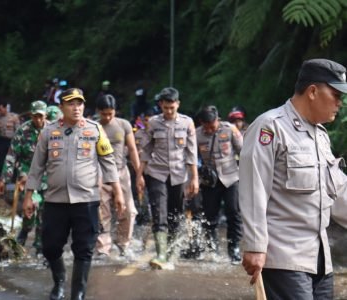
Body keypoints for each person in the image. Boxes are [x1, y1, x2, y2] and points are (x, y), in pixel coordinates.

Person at [240, 58, 347, 299]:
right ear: (312, 91)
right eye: (336, 94)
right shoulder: (270, 127)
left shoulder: (320, 136)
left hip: (320, 260)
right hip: (284, 259)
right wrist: (255, 245)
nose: (340, 103)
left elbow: (336, 191)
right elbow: (253, 189)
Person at [23, 88, 125, 300]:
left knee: (84, 249)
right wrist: (28, 195)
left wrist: (118, 192)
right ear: (61, 107)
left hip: (86, 200)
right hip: (55, 200)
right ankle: (59, 282)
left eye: (79, 103)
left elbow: (109, 162)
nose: (76, 107)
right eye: (71, 104)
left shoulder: (95, 129)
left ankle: (78, 293)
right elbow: (36, 166)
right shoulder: (49, 131)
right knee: (50, 247)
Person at [136, 87, 199, 269]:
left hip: (179, 175)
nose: (169, 111)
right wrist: (139, 176)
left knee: (176, 214)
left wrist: (194, 178)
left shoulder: (188, 123)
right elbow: (146, 150)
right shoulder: (154, 123)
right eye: (166, 108)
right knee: (159, 213)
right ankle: (161, 254)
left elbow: (191, 153)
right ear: (161, 106)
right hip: (157, 174)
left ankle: (172, 251)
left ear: (178, 104)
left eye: (172, 108)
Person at [0, 100, 49, 254]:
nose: (38, 120)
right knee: (31, 206)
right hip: (27, 173)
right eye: (35, 117)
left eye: (41, 117)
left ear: (45, 115)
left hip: (48, 175)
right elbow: (12, 156)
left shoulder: (53, 130)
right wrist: (3, 179)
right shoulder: (23, 131)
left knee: (45, 212)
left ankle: (40, 247)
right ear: (31, 116)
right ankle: (25, 231)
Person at [94, 94, 141, 258]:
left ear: (115, 111)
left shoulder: (123, 125)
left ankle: (123, 244)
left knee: (128, 210)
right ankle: (102, 248)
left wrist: (139, 173)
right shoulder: (93, 126)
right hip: (99, 174)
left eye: (110, 113)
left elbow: (133, 149)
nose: (107, 117)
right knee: (101, 212)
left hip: (121, 172)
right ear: (98, 111)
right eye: (104, 114)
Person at [196, 105, 243, 263]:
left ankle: (234, 248)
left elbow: (242, 151)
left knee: (234, 212)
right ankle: (212, 248)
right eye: (206, 126)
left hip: (231, 177)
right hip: (210, 181)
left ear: (218, 120)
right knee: (210, 215)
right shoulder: (196, 135)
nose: (209, 129)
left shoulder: (230, 130)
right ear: (202, 123)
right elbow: (191, 157)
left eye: (212, 126)